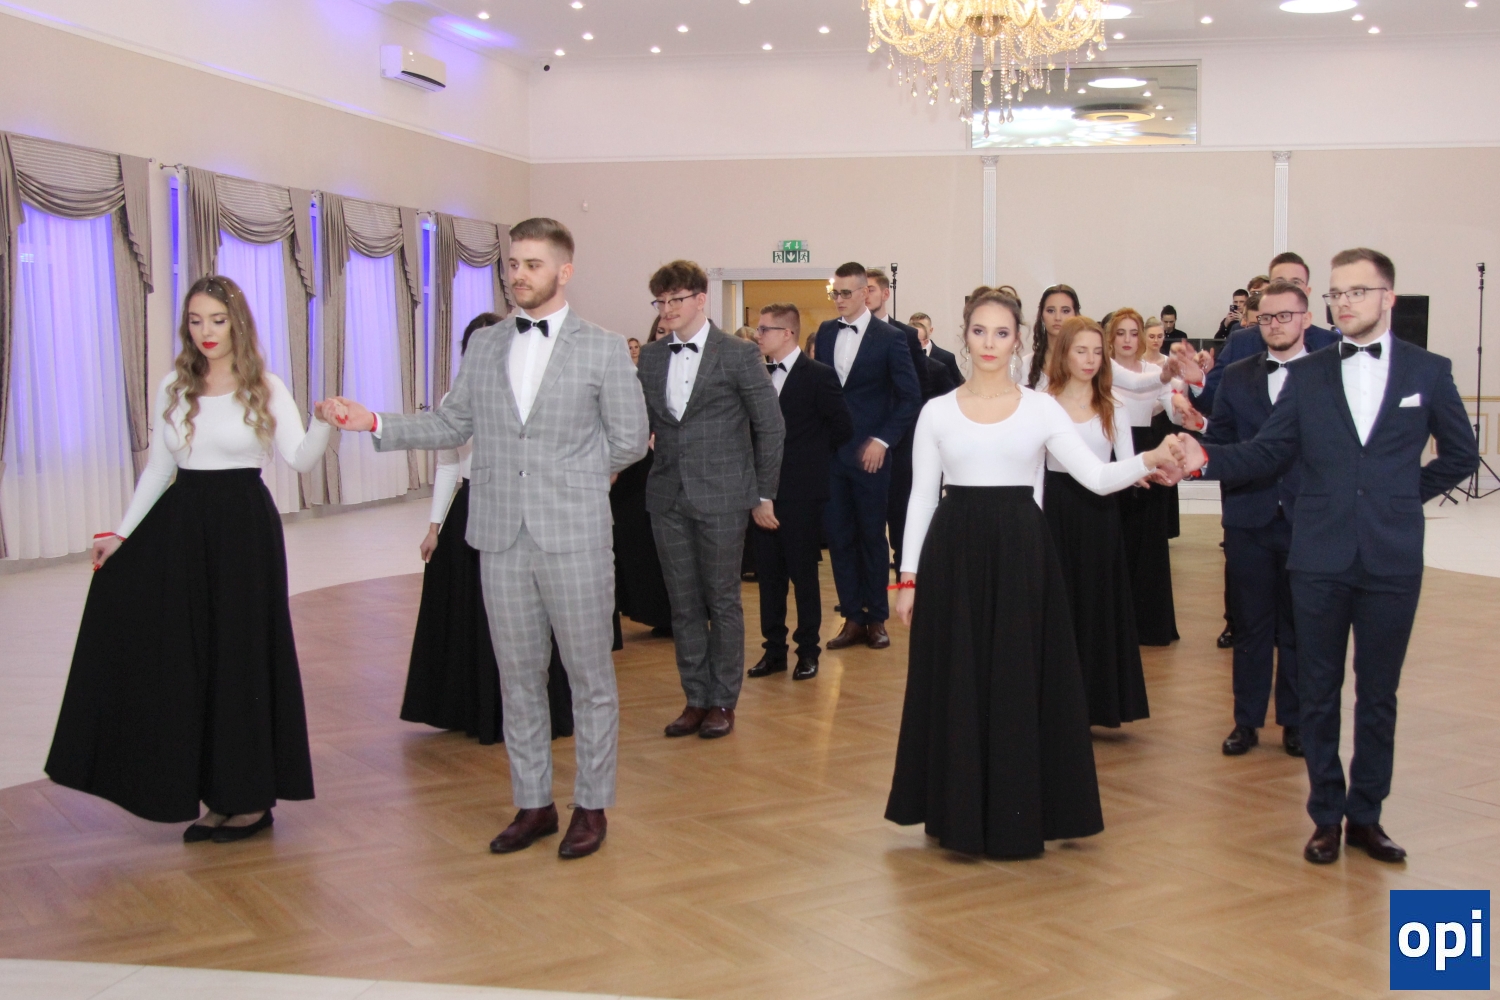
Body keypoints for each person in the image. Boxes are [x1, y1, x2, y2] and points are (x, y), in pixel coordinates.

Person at [322, 218, 649, 860]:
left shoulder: (604, 347)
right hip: (499, 536)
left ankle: (591, 804)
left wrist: (570, 479)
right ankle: (533, 803)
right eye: (513, 264)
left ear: (564, 271)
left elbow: (630, 440)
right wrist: (375, 421)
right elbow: (452, 423)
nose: (518, 274)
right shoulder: (487, 345)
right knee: (517, 677)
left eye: (532, 264)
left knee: (589, 678)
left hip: (575, 534)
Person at [1169, 248, 1478, 865]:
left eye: (1358, 292)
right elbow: (1267, 451)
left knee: (1379, 695)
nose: (1345, 303)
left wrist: (1399, 497)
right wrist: (1204, 459)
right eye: (1337, 293)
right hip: (1318, 556)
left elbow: (1461, 455)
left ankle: (1367, 816)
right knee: (1318, 692)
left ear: (1388, 298)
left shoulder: (1428, 370)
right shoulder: (1308, 375)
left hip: (1391, 557)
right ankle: (1325, 816)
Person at [884, 287, 1180, 859]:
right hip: (953, 553)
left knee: (1019, 680)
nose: (989, 343)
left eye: (1001, 332)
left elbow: (1096, 477)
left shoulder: (1041, 408)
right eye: (979, 331)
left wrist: (1149, 458)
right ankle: (958, 810)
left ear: (1018, 339)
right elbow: (920, 498)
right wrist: (907, 577)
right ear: (965, 335)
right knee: (958, 680)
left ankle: (1020, 810)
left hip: (1023, 551)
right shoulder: (936, 411)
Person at [46, 275, 330, 843]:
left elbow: (299, 459)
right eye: (196, 321)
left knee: (241, 660)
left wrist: (324, 419)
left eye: (217, 320)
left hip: (244, 533)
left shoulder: (266, 385)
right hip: (183, 527)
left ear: (237, 323)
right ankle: (215, 796)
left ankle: (248, 801)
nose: (206, 332)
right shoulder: (174, 386)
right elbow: (159, 468)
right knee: (189, 659)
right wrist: (121, 535)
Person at [402, 312, 575, 746]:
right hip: (469, 512)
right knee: (471, 615)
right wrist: (433, 527)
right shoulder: (454, 397)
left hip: (521, 507)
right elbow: (447, 465)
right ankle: (472, 707)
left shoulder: (533, 390)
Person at [637, 260, 785, 740]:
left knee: (721, 600)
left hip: (723, 495)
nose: (667, 309)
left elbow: (770, 426)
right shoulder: (652, 357)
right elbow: (646, 421)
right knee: (682, 604)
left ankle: (723, 700)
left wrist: (763, 493)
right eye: (661, 301)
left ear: (701, 299)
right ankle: (695, 698)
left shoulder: (738, 353)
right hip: (667, 495)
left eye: (675, 299)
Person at [1203, 280, 1312, 760]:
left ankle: (1295, 722)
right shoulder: (1237, 375)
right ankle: (1246, 721)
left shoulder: (1327, 374)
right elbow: (1222, 442)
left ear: (1306, 319)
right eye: (1266, 317)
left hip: (1308, 520)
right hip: (1248, 517)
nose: (1275, 325)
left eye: (1284, 316)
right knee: (1250, 627)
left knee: (1299, 628)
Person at [1043, 317, 1149, 728]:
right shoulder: (1043, 403)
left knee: (1096, 605)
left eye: (1096, 352)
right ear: (1064, 353)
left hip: (1100, 515)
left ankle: (1096, 703)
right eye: (1081, 350)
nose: (1090, 360)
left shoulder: (1113, 405)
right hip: (1054, 512)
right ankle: (1058, 706)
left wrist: (1148, 469)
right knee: (1059, 608)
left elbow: (1126, 464)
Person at [814, 262, 922, 651]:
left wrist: (883, 440)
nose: (839, 299)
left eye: (846, 293)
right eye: (835, 293)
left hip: (872, 454)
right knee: (839, 537)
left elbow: (910, 397)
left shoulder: (891, 337)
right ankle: (852, 618)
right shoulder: (826, 332)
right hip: (832, 454)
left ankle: (876, 617)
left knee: (872, 536)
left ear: (864, 293)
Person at [747, 304, 853, 681]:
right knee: (769, 576)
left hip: (803, 493)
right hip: (761, 491)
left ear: (787, 333)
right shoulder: (755, 375)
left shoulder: (818, 375)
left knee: (803, 576)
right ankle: (773, 650)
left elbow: (842, 427)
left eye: (765, 329)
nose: (758, 335)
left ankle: (808, 650)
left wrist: (809, 459)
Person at [869, 268, 953, 578]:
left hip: (901, 445)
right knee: (865, 526)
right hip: (860, 443)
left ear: (885, 293)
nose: (864, 295)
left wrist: (902, 430)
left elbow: (920, 386)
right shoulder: (840, 333)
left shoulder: (904, 335)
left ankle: (909, 587)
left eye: (870, 289)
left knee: (902, 521)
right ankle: (868, 598)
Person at [1109, 309, 1182, 646]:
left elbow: (1175, 412)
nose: (1127, 339)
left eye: (1133, 332)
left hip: (1149, 454)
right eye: (1120, 332)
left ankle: (1148, 624)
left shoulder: (1154, 371)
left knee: (1148, 541)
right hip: (1112, 455)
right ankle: (1116, 623)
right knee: (1117, 539)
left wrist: (1187, 398)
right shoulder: (1103, 371)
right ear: (1111, 337)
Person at [1200, 252, 1342, 413]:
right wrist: (1198, 380)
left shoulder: (1331, 343)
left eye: (1295, 283)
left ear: (1307, 291)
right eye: (1279, 283)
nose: (1287, 289)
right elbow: (1214, 400)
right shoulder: (1241, 342)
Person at [911, 311, 964, 387]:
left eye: (922, 328)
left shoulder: (947, 358)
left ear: (931, 330)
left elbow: (959, 385)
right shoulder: (901, 356)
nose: (916, 333)